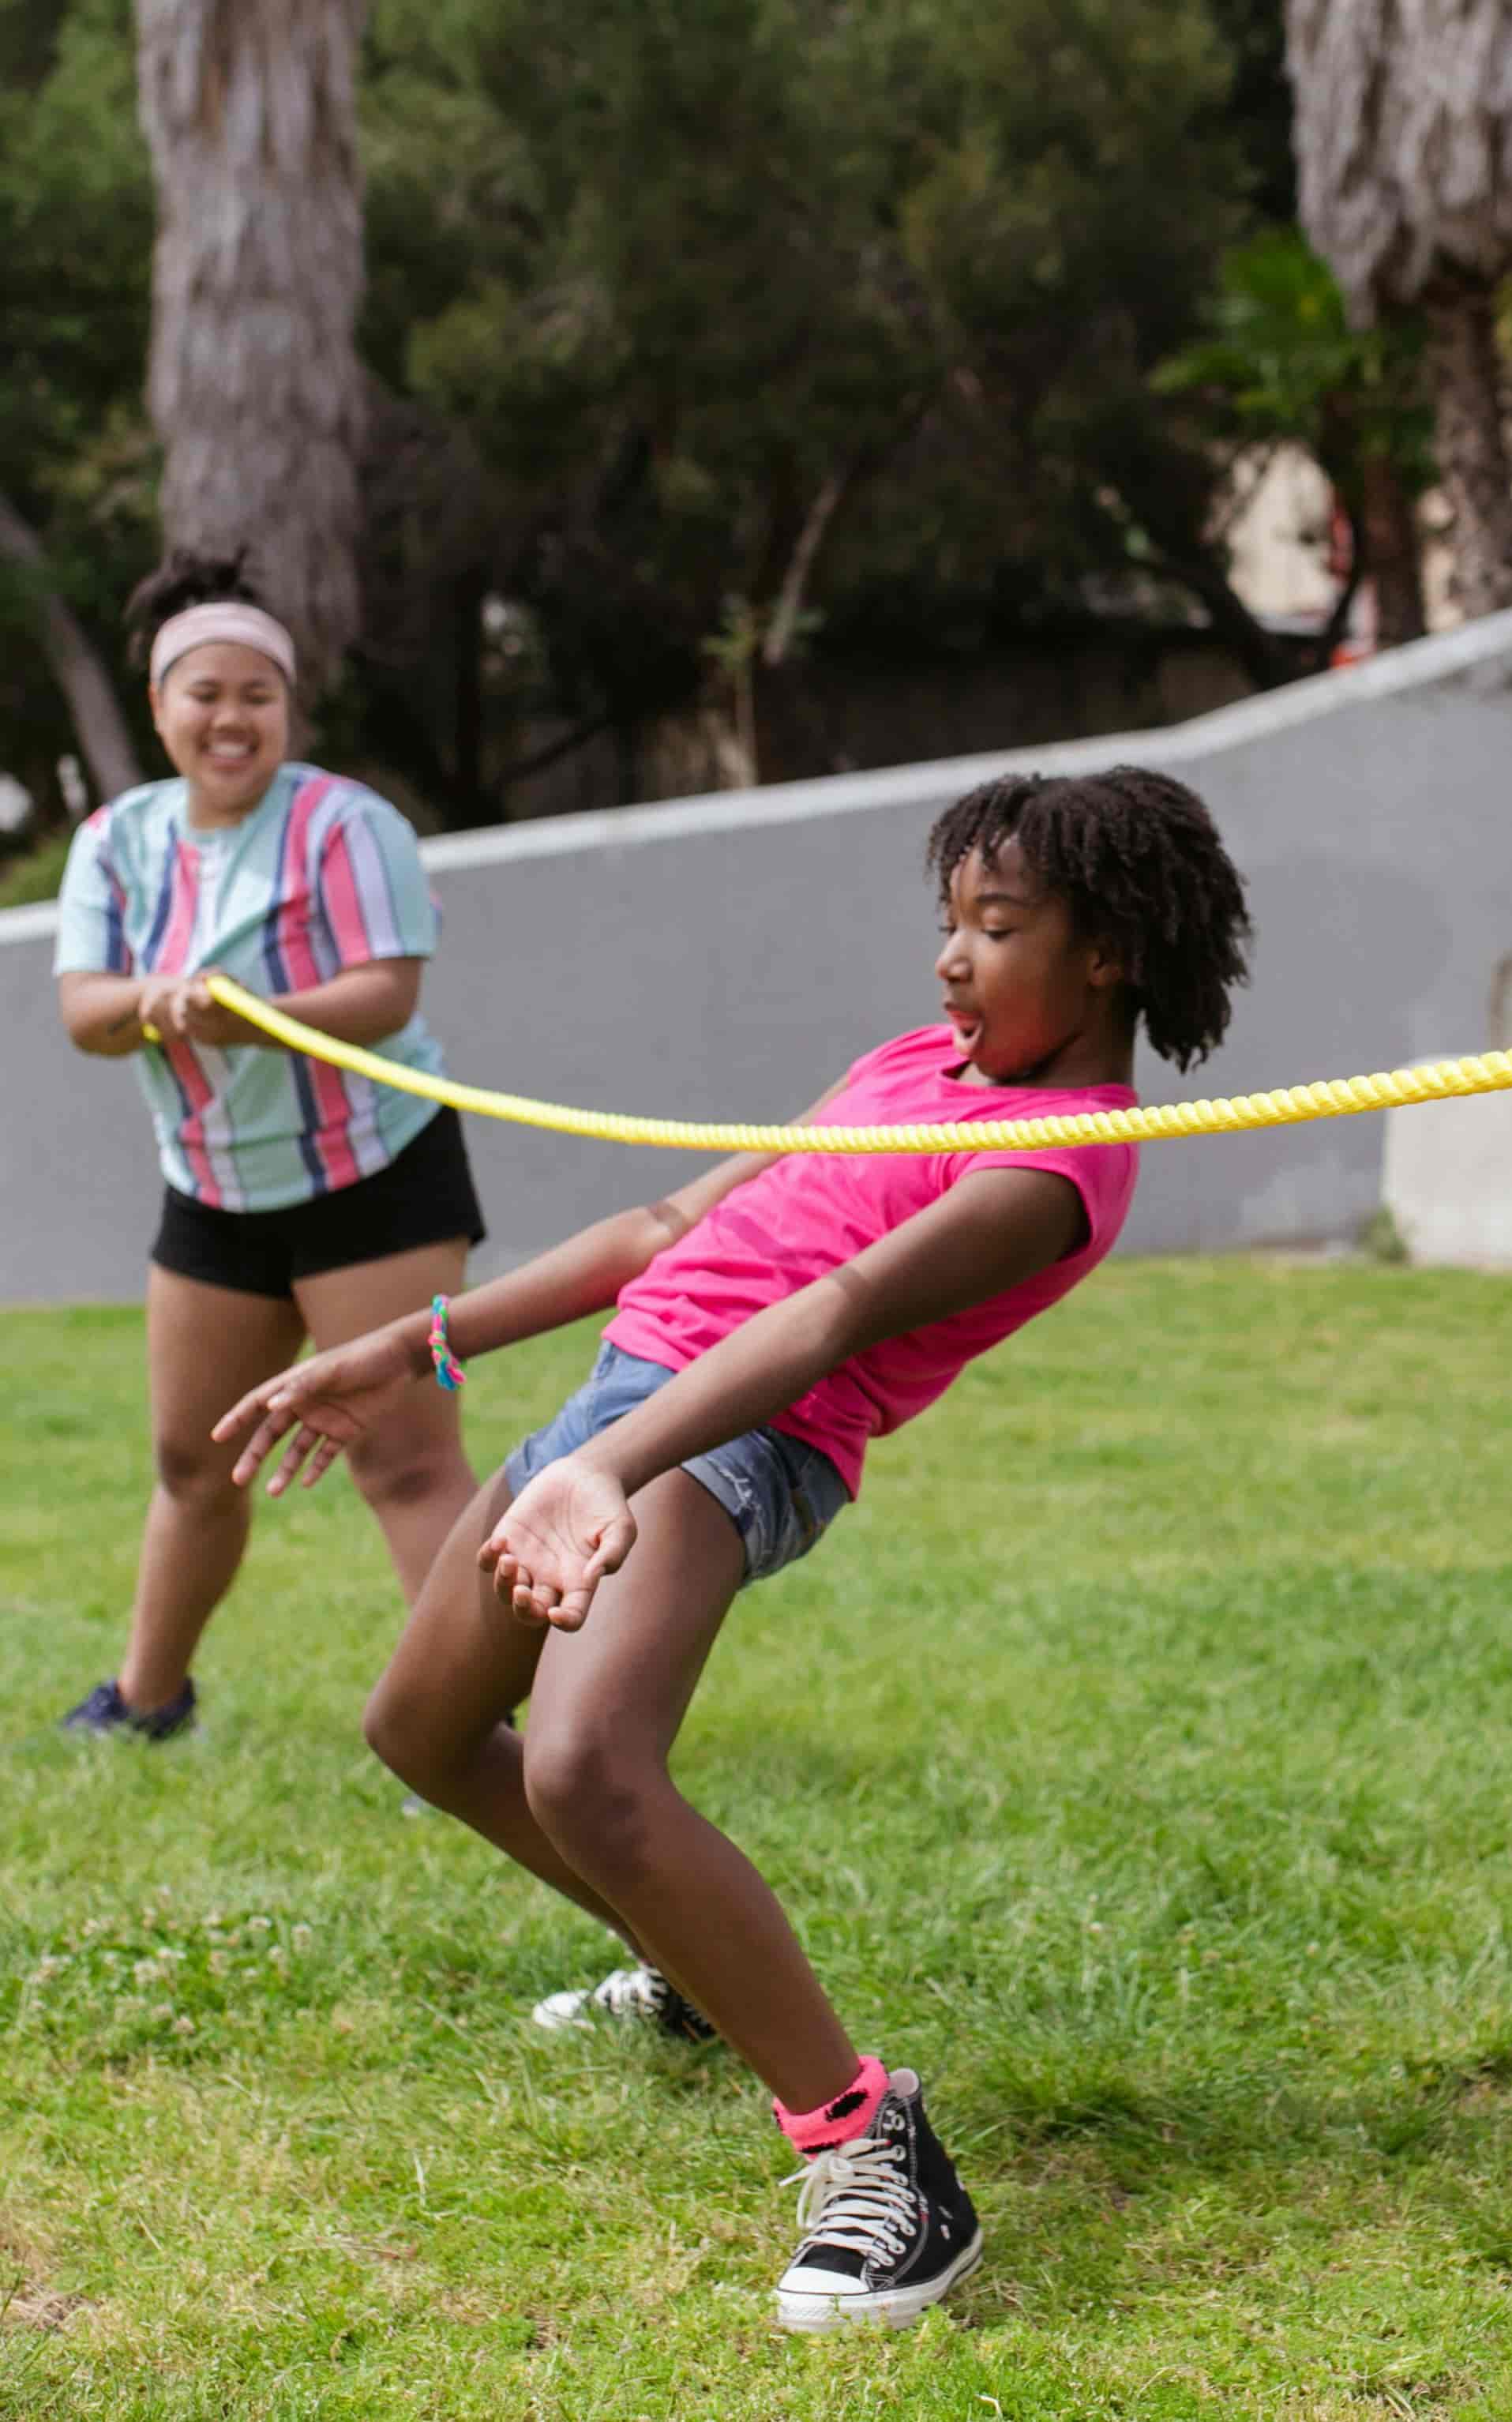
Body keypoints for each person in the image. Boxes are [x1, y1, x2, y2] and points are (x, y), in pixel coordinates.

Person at [210, 768, 1252, 2331]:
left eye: (995, 926)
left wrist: (616, 1468)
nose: (948, 961)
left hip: (742, 1435)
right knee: (420, 1728)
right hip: (627, 1403)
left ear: (1106, 951)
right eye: (949, 922)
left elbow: (825, 1315)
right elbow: (659, 1234)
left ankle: (876, 2150)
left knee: (586, 1769)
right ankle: (700, 1975)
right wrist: (406, 1344)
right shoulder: (912, 1062)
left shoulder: (1062, 1159)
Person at [51, 552, 486, 1742]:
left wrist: (254, 1009)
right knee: (194, 1462)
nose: (231, 718)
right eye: (205, 693)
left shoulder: (351, 823)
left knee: (405, 1462)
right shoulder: (114, 841)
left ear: (286, 710)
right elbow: (86, 1012)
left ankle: (476, 1726)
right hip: (215, 1191)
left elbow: (387, 993)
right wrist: (163, 1000)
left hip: (379, 1182)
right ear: (159, 709)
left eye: (257, 695)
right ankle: (146, 1703)